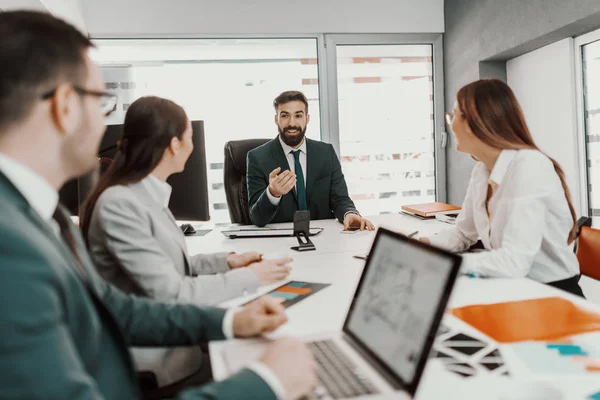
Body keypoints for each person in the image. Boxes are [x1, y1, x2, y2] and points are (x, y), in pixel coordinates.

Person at [0, 10, 316, 400]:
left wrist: (232, 321)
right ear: (65, 105)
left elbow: (118, 310)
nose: (106, 126)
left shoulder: (41, 216)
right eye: (102, 101)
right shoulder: (10, 245)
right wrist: (267, 383)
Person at [80, 95, 293, 388]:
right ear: (174, 145)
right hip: (158, 359)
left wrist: (227, 262)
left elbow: (169, 264)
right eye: (189, 137)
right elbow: (173, 293)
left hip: (179, 342)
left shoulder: (146, 194)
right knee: (274, 366)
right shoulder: (121, 204)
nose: (193, 147)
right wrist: (250, 277)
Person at [421, 79, 583, 297]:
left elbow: (514, 261)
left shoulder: (529, 167)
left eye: (453, 115)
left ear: (473, 123)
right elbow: (462, 235)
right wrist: (421, 245)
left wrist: (444, 263)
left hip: (552, 293)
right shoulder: (482, 170)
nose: (451, 124)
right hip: (512, 285)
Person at [247, 90, 374, 230]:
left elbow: (340, 199)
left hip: (324, 238)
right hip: (280, 241)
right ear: (276, 119)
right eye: (284, 116)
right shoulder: (257, 158)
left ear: (307, 118)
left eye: (298, 115)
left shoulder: (326, 153)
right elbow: (257, 218)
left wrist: (349, 213)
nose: (292, 123)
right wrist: (272, 193)